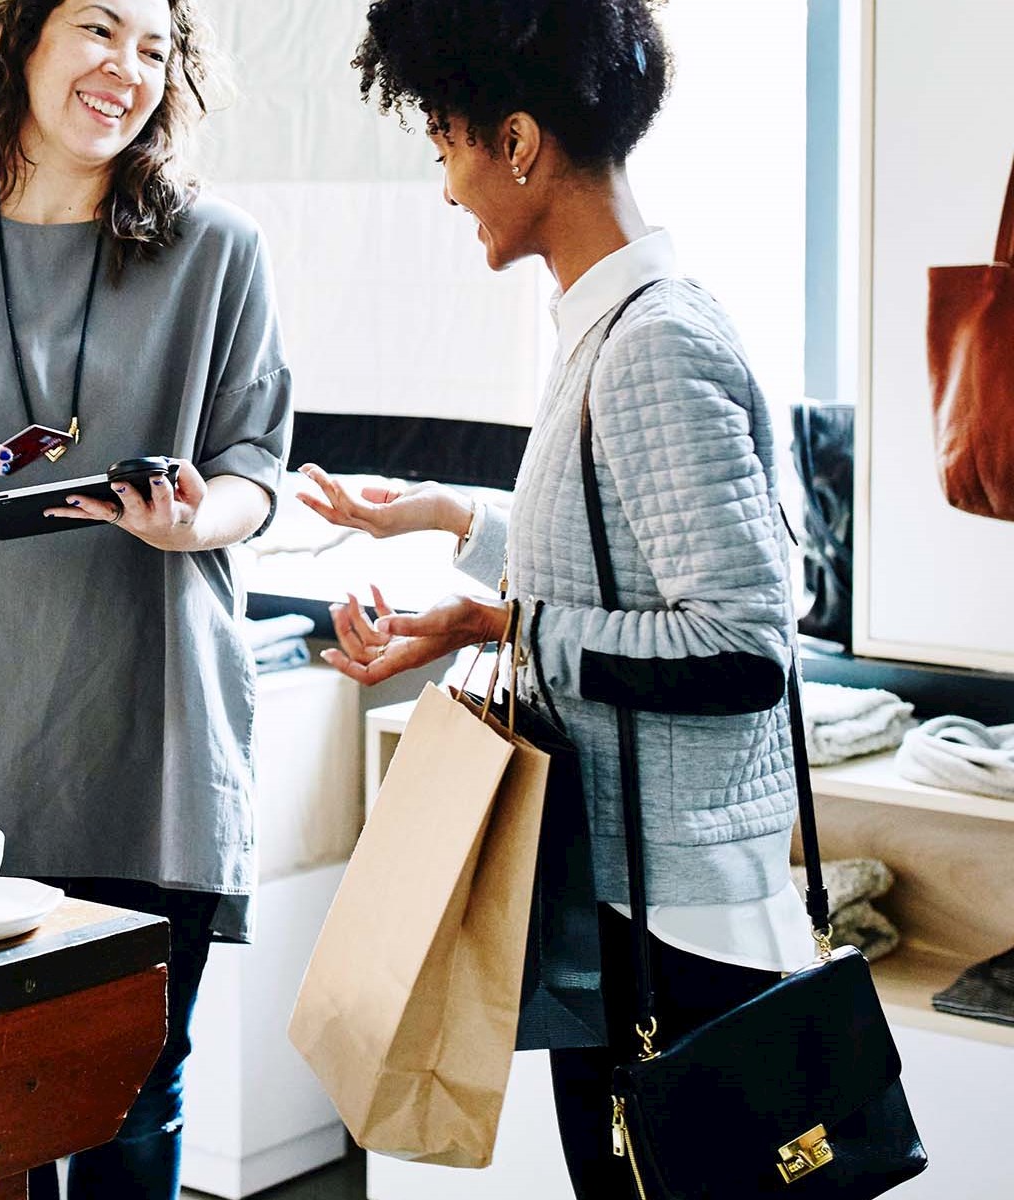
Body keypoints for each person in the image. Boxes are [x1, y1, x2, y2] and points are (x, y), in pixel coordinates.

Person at [315, 3, 814, 1195]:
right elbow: (614, 557)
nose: (444, 187)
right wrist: (456, 541)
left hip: (681, 933)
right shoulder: (613, 328)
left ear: (519, 143)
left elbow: (743, 648)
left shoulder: (651, 344)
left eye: (446, 144)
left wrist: (514, 627)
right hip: (635, 901)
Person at [0, 1, 292, 1196]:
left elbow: (255, 471)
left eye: (154, 49)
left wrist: (196, 518)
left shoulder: (215, 250)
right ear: (16, 44)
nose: (125, 70)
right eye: (96, 30)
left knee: (133, 1089)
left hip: (150, 734)